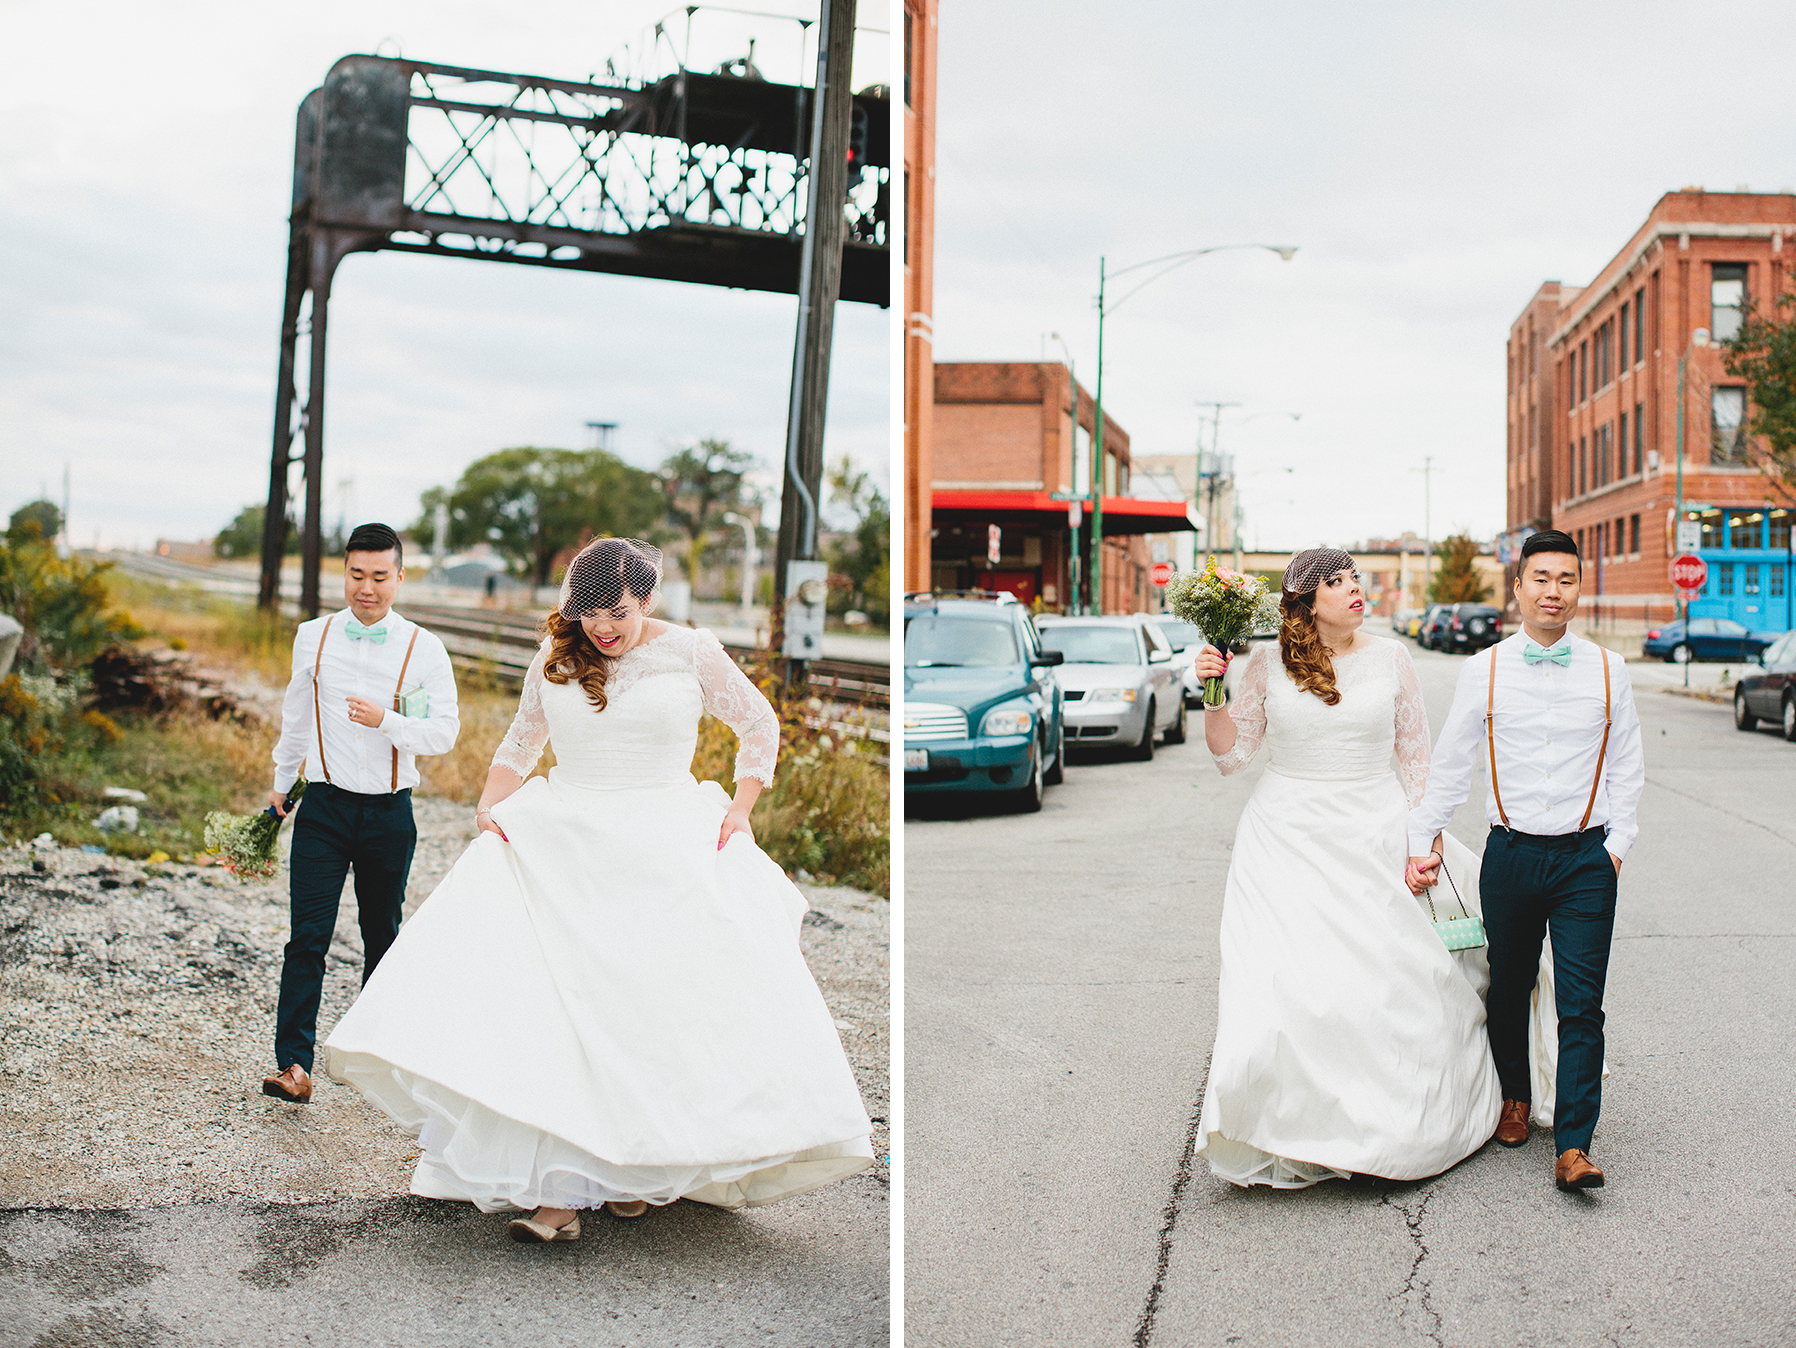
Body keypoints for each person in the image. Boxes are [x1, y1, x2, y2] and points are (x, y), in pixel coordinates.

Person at [320, 537, 873, 1242]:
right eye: (589, 614)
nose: (603, 628)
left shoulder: (693, 651)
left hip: (666, 838)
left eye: (617, 613)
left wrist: (741, 808)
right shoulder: (555, 656)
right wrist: (491, 805)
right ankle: (562, 1194)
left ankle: (636, 1168)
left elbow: (758, 723)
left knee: (649, 1012)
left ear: (647, 600)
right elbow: (520, 743)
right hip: (568, 835)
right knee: (562, 1012)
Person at [1189, 548, 1502, 1187]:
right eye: (1336, 582)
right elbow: (1230, 756)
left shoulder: (1392, 658)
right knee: (1288, 985)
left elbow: (1417, 761)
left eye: (1355, 577)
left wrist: (1424, 843)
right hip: (1285, 839)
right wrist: (1212, 694)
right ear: (1306, 603)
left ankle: (1389, 1127)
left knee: (1387, 978)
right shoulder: (1267, 662)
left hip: (1374, 831)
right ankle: (1292, 1123)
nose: (1355, 588)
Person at [1407, 529, 1643, 1193]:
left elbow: (1626, 764)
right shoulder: (1483, 669)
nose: (1553, 592)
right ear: (1518, 588)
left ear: (1579, 588)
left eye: (1566, 579)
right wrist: (1421, 838)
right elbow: (1452, 764)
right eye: (1541, 578)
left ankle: (1574, 1144)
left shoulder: (1609, 669)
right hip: (1509, 854)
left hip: (1584, 860)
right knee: (1509, 984)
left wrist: (1616, 848)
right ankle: (1514, 1094)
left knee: (1582, 1003)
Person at [263, 522, 461, 1104]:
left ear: (399, 578)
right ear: (343, 574)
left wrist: (387, 721)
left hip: (388, 815)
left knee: (382, 937)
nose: (366, 588)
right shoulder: (313, 637)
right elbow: (296, 716)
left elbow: (444, 733)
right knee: (307, 938)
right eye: (356, 575)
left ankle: (378, 1061)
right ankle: (293, 1065)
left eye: (379, 576)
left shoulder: (424, 648)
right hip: (323, 808)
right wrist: (282, 784)